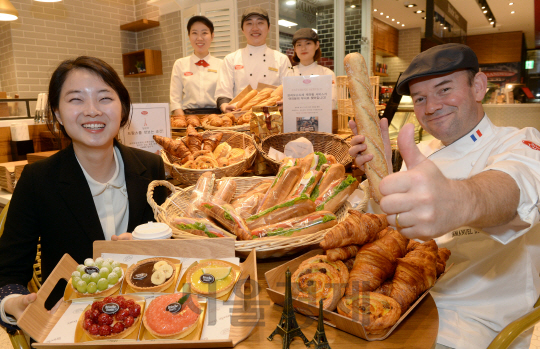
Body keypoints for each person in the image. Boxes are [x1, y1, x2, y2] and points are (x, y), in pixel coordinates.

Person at [349, 43, 540, 349]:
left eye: (444, 89)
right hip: (406, 304)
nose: (431, 107)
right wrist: (379, 180)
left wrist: (460, 199)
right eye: (421, 98)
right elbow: (386, 232)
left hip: (473, 323)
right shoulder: (421, 153)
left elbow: (512, 187)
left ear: (478, 87)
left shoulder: (520, 143)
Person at [0, 56, 166, 332]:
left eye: (104, 98)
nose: (92, 111)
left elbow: (173, 247)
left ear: (123, 107)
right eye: (76, 99)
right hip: (69, 324)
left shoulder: (151, 167)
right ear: (56, 112)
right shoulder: (38, 180)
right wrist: (13, 303)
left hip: (144, 320)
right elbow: (7, 271)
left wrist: (151, 246)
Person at [214, 6, 291, 113]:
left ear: (268, 27)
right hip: (239, 116)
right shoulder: (231, 59)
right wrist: (224, 106)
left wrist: (286, 102)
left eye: (260, 23)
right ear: (242, 29)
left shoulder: (282, 59)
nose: (255, 28)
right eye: (249, 23)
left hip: (272, 118)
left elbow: (290, 91)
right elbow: (223, 92)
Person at [170, 16, 223, 116]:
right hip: (188, 117)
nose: (199, 38)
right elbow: (175, 102)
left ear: (212, 36)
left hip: (216, 117)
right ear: (189, 36)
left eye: (204, 33)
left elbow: (226, 97)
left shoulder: (222, 64)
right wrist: (185, 122)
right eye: (194, 33)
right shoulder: (180, 64)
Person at [286, 28, 337, 110]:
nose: (303, 48)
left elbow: (331, 104)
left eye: (308, 43)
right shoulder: (288, 73)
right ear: (295, 49)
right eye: (299, 45)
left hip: (321, 121)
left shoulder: (327, 74)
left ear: (317, 45)